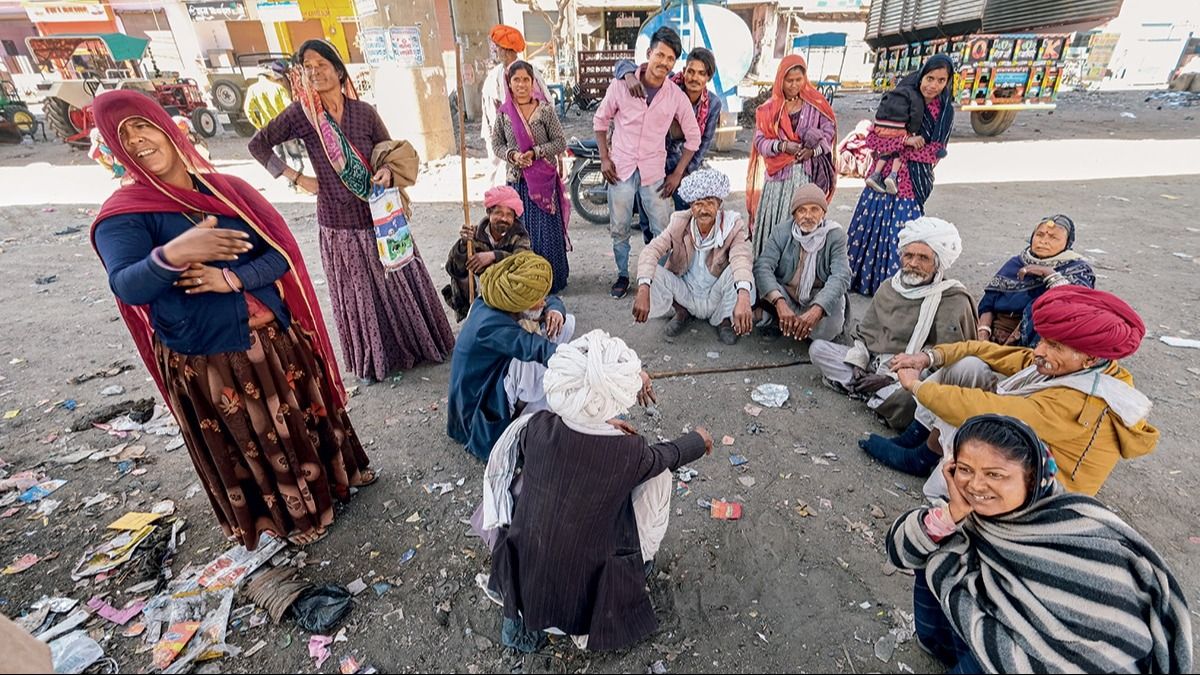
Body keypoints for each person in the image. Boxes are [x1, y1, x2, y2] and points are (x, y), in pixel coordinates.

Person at [90, 90, 372, 549]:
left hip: (275, 343)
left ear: (166, 126)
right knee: (257, 441)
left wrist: (231, 280)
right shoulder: (124, 216)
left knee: (299, 424)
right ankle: (290, 518)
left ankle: (338, 482)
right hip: (212, 362)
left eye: (142, 126)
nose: (138, 140)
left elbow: (278, 255)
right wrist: (173, 255)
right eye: (124, 136)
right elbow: (127, 285)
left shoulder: (227, 191)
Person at [886, 414, 1192, 674]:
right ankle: (943, 648)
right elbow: (901, 551)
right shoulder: (967, 518)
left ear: (1032, 480)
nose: (976, 485)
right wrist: (951, 513)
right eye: (965, 470)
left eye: (995, 474)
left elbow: (1115, 634)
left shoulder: (1078, 522)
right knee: (934, 547)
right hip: (996, 642)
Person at [483, 330, 712, 652]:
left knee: (537, 488)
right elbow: (668, 456)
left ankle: (520, 629)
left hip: (524, 591)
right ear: (616, 397)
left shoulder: (534, 428)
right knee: (658, 477)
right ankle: (638, 569)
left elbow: (574, 433)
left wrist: (600, 422)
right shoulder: (630, 452)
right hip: (585, 608)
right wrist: (698, 440)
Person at [249, 39, 454, 383]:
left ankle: (418, 344)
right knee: (361, 293)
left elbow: (388, 152)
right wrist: (298, 178)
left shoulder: (364, 113)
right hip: (338, 221)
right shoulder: (302, 115)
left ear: (339, 70)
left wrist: (386, 172)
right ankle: (379, 358)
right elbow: (258, 144)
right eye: (308, 67)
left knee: (398, 280)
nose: (314, 73)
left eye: (321, 65)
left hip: (380, 215)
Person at [872, 285, 1158, 497]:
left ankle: (934, 477)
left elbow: (982, 409)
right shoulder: (1070, 366)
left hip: (1047, 494)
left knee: (972, 419)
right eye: (1043, 340)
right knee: (968, 366)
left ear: (1091, 358)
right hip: (1027, 455)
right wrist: (927, 358)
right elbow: (984, 349)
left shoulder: (1081, 400)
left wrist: (915, 386)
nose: (1039, 351)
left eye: (1054, 346)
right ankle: (919, 443)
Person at [810, 217, 975, 430]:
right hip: (875, 364)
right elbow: (865, 336)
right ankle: (869, 391)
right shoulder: (889, 287)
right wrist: (859, 365)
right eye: (908, 256)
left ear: (937, 263)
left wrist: (891, 379)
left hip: (913, 375)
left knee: (915, 400)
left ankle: (873, 393)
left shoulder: (954, 300)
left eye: (923, 258)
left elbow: (949, 361)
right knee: (818, 350)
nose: (913, 264)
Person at [447, 252, 589, 461]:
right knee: (532, 358)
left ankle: (538, 399)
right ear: (517, 302)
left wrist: (555, 311)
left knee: (562, 323)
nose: (542, 302)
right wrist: (595, 367)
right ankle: (524, 418)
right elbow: (538, 350)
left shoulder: (500, 298)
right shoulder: (490, 324)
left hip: (497, 375)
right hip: (478, 404)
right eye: (535, 300)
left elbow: (551, 300)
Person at [594, 26, 701, 299]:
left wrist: (677, 173)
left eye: (670, 59)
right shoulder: (622, 85)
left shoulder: (675, 96)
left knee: (662, 230)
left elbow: (693, 137)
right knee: (619, 227)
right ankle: (622, 275)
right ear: (649, 53)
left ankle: (658, 278)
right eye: (660, 55)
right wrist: (604, 158)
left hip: (655, 172)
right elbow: (600, 121)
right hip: (620, 169)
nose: (663, 63)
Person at [846, 54, 955, 296]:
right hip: (882, 181)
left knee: (902, 236)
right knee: (869, 230)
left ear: (947, 82)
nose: (933, 85)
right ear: (921, 76)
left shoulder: (945, 112)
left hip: (911, 185)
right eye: (929, 78)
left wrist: (899, 148)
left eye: (940, 80)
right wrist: (905, 142)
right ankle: (861, 282)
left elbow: (936, 152)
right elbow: (874, 138)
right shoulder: (901, 99)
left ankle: (895, 290)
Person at [632, 169, 754, 345]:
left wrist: (743, 298)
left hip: (716, 295)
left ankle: (724, 320)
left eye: (710, 203)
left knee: (743, 275)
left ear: (719, 203)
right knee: (652, 273)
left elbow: (741, 258)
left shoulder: (731, 225)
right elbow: (652, 250)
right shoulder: (679, 222)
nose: (704, 210)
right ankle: (682, 312)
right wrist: (643, 289)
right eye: (698, 203)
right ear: (690, 205)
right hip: (686, 293)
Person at [613, 47, 723, 237]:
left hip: (685, 164)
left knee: (684, 217)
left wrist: (681, 174)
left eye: (701, 74)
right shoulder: (667, 84)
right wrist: (630, 77)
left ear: (708, 77)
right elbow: (622, 64)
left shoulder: (713, 104)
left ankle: (680, 259)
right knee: (649, 218)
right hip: (652, 159)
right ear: (684, 70)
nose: (694, 78)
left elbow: (703, 143)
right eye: (690, 71)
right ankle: (653, 259)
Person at [490, 60, 571, 293]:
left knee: (546, 231)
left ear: (533, 82)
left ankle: (552, 280)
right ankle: (527, 281)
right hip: (518, 182)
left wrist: (535, 152)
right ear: (509, 83)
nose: (522, 84)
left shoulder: (544, 110)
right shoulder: (505, 114)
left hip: (543, 182)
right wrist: (513, 155)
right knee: (522, 231)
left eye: (526, 79)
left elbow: (560, 142)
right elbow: (497, 144)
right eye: (516, 79)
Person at [746, 54, 837, 258]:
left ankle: (797, 270)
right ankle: (767, 269)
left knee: (801, 220)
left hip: (805, 176)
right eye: (789, 80)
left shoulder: (816, 105)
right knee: (775, 224)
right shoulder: (769, 109)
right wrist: (782, 146)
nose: (794, 85)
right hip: (777, 181)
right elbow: (760, 142)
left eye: (799, 79)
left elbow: (828, 133)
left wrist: (813, 151)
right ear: (780, 80)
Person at [754, 183, 851, 343]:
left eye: (814, 209)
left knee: (829, 327)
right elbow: (763, 266)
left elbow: (841, 275)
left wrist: (817, 309)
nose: (808, 216)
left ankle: (804, 328)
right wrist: (780, 303)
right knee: (758, 280)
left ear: (823, 213)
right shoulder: (781, 232)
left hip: (817, 296)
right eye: (802, 210)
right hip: (787, 294)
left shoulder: (835, 236)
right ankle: (781, 321)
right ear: (794, 214)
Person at [977, 214, 1094, 346]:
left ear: (1067, 243)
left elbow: (1074, 305)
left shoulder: (1077, 270)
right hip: (993, 339)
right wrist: (983, 334)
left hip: (1040, 344)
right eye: (1039, 235)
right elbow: (988, 303)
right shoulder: (1015, 263)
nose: (1043, 241)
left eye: (1053, 237)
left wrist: (1048, 273)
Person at [442, 185, 531, 322]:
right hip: (480, 294)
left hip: (507, 292)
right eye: (499, 213)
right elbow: (452, 269)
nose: (504, 218)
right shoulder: (476, 234)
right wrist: (463, 244)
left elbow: (522, 261)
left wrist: (493, 256)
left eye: (509, 215)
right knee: (462, 277)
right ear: (489, 212)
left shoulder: (519, 236)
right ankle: (473, 316)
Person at [482, 25, 551, 187]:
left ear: (505, 50)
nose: (496, 52)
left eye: (498, 48)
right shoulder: (496, 75)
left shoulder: (526, 71)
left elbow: (543, 103)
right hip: (507, 139)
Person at [863, 80, 924, 194]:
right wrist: (912, 130)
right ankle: (893, 175)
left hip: (880, 126)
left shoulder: (891, 92)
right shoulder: (914, 95)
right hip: (898, 128)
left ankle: (876, 174)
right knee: (900, 150)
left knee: (886, 150)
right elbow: (916, 114)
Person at [244, 60, 304, 173]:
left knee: (279, 158)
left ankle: (290, 183)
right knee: (295, 156)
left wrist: (259, 125)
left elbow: (248, 111)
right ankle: (300, 178)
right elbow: (289, 107)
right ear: (270, 75)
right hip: (286, 127)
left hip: (268, 129)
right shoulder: (277, 87)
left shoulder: (252, 90)